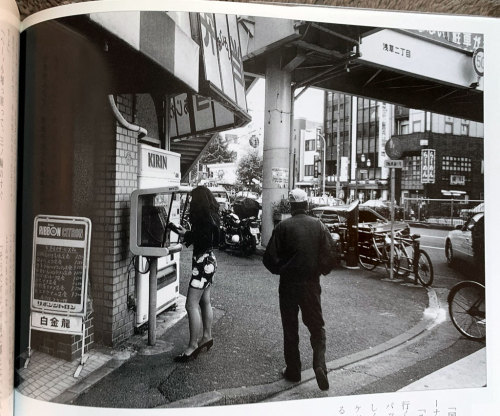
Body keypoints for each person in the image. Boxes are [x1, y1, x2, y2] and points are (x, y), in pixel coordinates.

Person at [263, 188, 337, 391]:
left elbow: (269, 258)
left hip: (288, 284)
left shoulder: (283, 227)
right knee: (316, 327)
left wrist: (283, 269)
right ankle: (320, 364)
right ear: (307, 205)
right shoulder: (319, 226)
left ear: (291, 205)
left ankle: (293, 370)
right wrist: (319, 270)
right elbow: (331, 255)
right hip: (311, 284)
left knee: (290, 327)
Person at [173, 186, 220, 362]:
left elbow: (201, 238)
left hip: (202, 263)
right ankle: (206, 336)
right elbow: (209, 240)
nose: (191, 202)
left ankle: (192, 347)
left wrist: (187, 234)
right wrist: (189, 234)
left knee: (190, 305)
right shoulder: (213, 215)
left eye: (193, 199)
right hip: (209, 260)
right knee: (204, 301)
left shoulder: (202, 218)